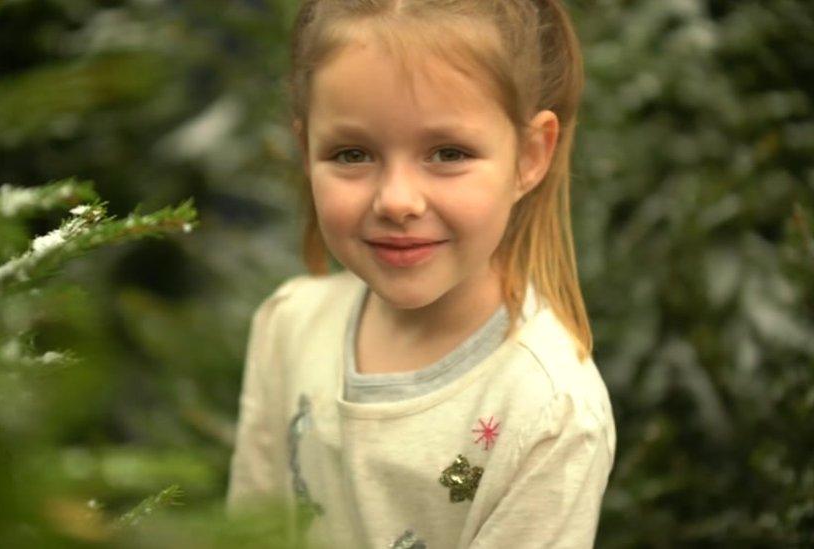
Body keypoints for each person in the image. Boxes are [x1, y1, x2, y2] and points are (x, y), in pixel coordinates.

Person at [227, 0, 616, 547]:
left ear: (529, 155)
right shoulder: (289, 324)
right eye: (352, 153)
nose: (398, 201)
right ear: (305, 149)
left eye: (448, 152)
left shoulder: (547, 410)